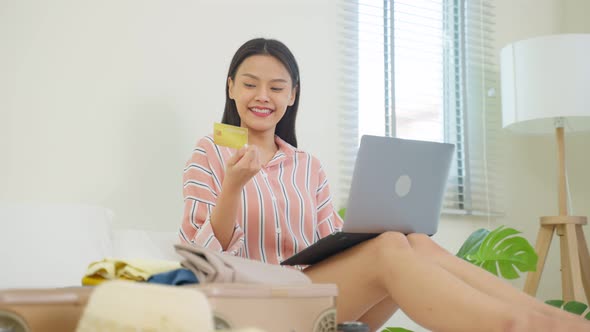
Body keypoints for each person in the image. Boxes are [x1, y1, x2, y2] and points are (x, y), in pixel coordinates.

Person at [179, 38, 590, 332]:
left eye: (276, 87)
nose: (262, 96)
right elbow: (200, 256)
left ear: (292, 95)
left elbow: (327, 248)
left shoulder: (308, 167)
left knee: (410, 240)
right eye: (250, 84)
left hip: (320, 297)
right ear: (231, 87)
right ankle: (514, 326)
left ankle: (549, 320)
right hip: (260, 305)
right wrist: (233, 186)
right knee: (392, 246)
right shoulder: (210, 152)